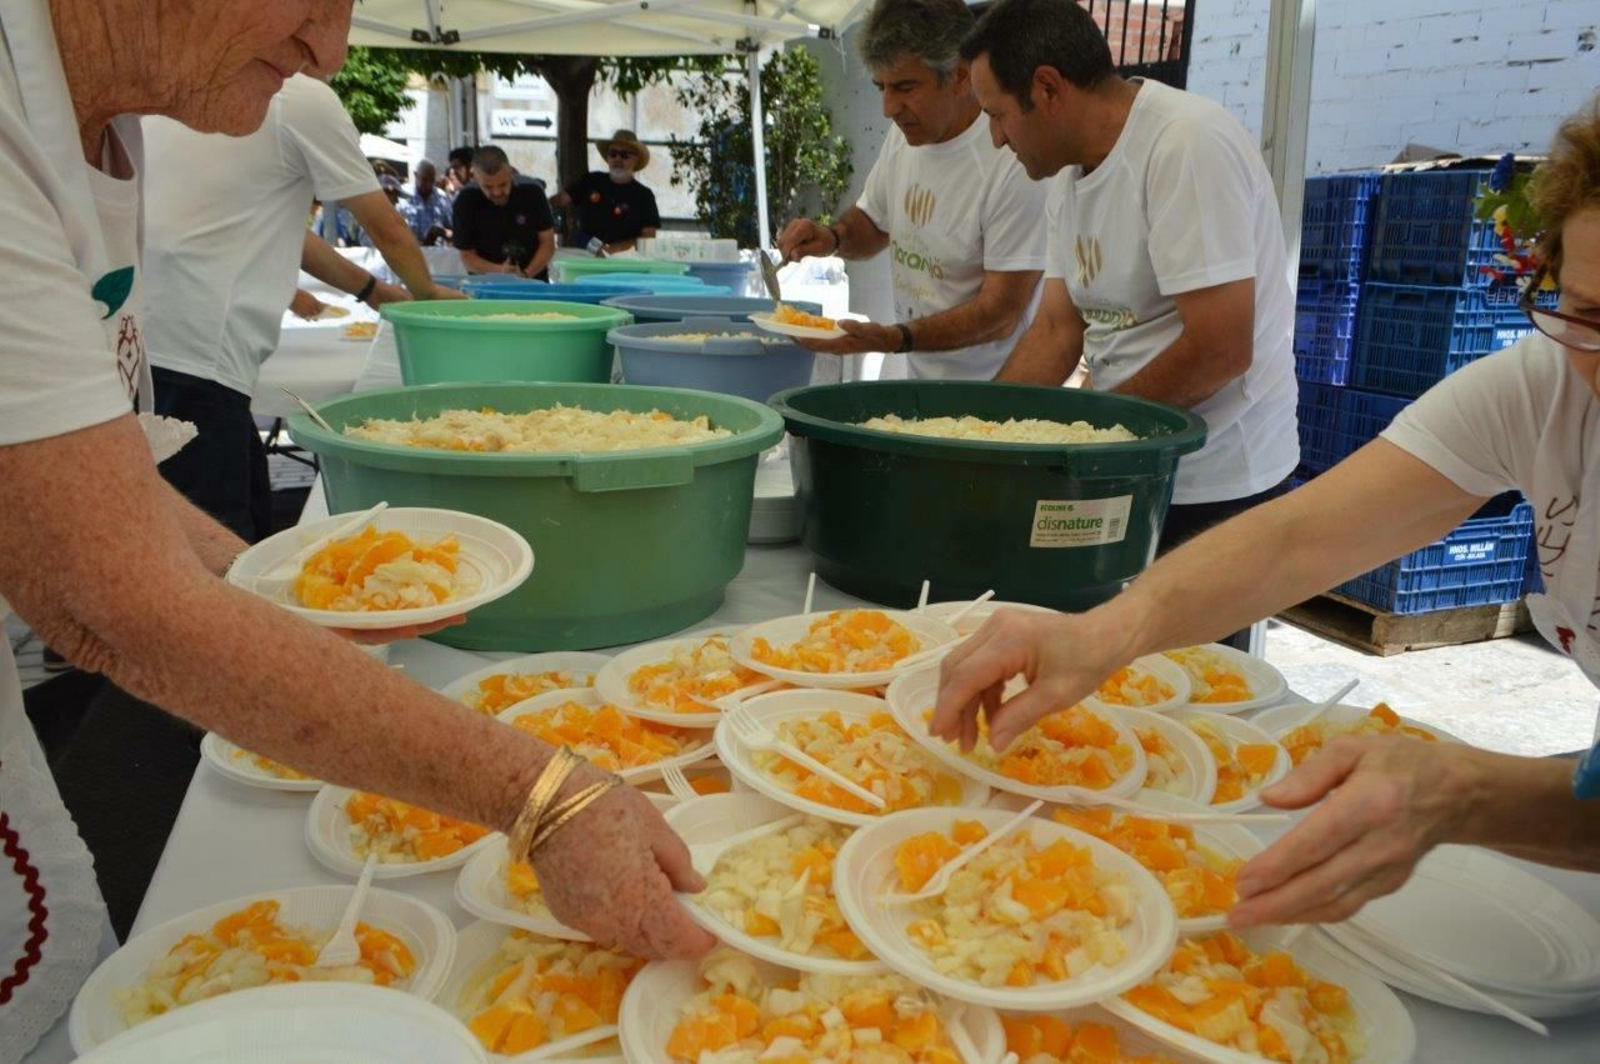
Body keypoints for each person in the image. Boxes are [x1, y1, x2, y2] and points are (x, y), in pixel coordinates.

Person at [0, 5, 712, 1051]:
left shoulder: (109, 125)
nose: (328, 51)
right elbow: (112, 599)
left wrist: (285, 583)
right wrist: (540, 792)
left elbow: (102, 491)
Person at [932, 99, 1600, 929]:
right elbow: (1297, 539)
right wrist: (1104, 631)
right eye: (1587, 313)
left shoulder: (1185, 145)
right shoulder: (1547, 384)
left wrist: (1468, 790)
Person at [962, 0, 1300, 560]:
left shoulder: (1184, 145)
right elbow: (1054, 330)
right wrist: (976, 436)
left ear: (1047, 88)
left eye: (997, 115)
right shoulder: (1067, 175)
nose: (997, 139)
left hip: (1217, 484)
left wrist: (1088, 432)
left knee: (1177, 651)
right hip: (1127, 460)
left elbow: (1220, 350)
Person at [142, 72, 461, 544]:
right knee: (218, 544)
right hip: (196, 354)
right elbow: (384, 224)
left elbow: (286, 229)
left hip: (151, 344)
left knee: (240, 515)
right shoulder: (296, 95)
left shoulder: (183, 86)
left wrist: (372, 289)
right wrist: (429, 296)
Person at [776, 0, 1045, 379]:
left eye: (904, 87)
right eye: (881, 87)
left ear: (959, 76)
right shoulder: (906, 136)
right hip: (920, 381)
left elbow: (1001, 313)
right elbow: (874, 223)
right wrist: (832, 237)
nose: (888, 108)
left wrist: (895, 338)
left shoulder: (1012, 159)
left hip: (996, 397)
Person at [452, 145, 556, 278]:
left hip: (533, 280)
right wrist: (501, 271)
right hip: (485, 285)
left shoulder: (532, 191)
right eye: (488, 187)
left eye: (503, 184)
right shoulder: (465, 200)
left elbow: (547, 243)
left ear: (511, 173)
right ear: (476, 178)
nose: (497, 192)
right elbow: (466, 256)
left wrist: (525, 275)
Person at [551, 129, 661, 255]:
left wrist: (610, 250)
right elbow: (558, 200)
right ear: (607, 157)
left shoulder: (644, 195)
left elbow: (648, 238)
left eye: (624, 155)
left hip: (625, 262)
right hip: (585, 258)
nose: (617, 159)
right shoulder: (590, 180)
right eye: (613, 153)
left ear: (636, 159)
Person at [403, 158, 453, 246]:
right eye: (425, 180)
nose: (429, 184)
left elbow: (452, 228)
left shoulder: (442, 198)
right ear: (415, 175)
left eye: (432, 180)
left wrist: (443, 232)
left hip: (437, 254)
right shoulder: (402, 196)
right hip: (410, 253)